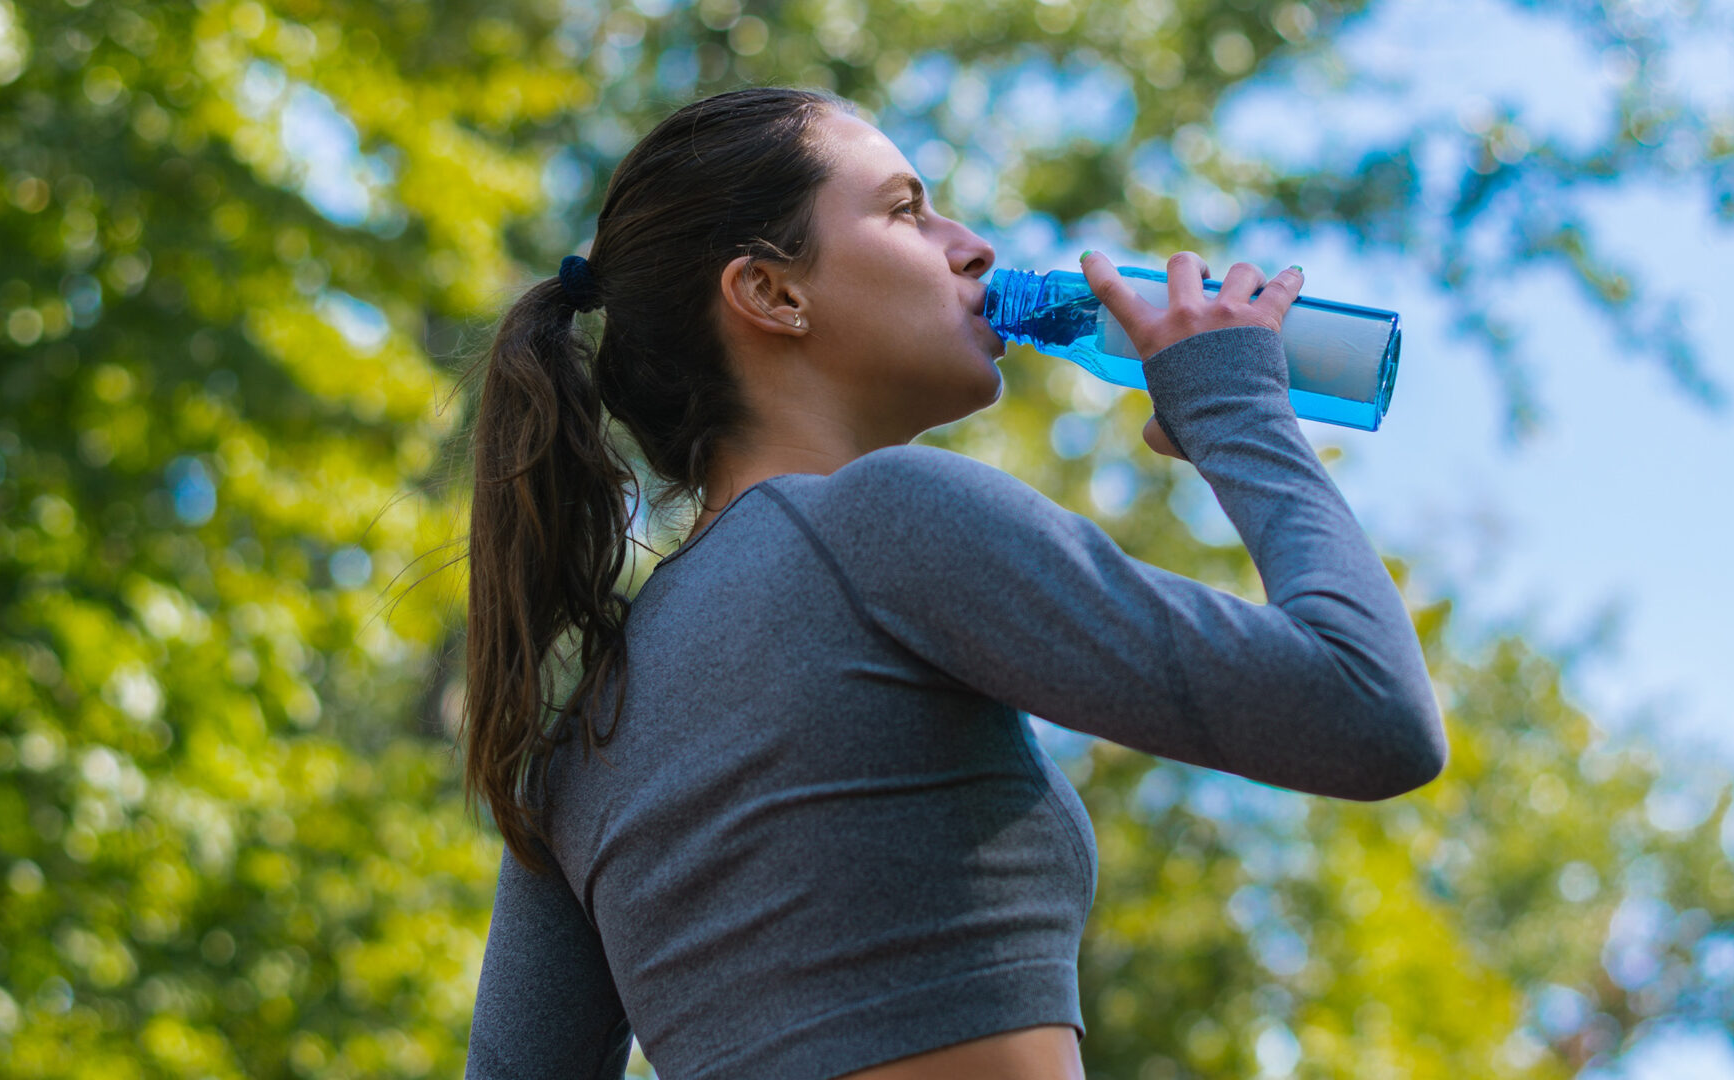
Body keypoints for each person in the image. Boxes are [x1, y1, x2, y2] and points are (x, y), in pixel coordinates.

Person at [458, 85, 1447, 1080]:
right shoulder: (883, 520)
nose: (971, 243)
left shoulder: (579, 737)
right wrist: (1240, 412)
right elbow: (1370, 714)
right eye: (905, 209)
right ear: (770, 294)